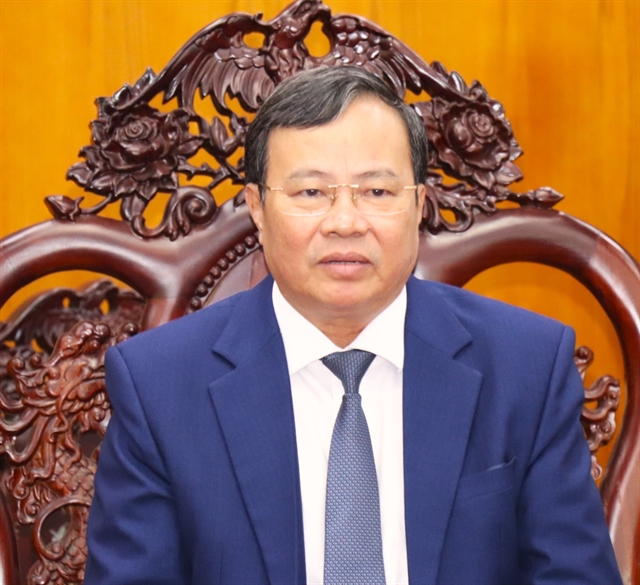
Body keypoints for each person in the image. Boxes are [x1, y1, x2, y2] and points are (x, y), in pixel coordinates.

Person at [85, 67, 622, 585]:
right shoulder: (159, 386)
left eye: (377, 192)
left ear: (419, 205)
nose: (345, 222)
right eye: (311, 193)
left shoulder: (527, 368)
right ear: (257, 209)